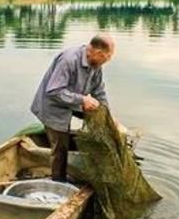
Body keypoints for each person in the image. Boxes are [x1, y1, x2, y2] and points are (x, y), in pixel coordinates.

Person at [30, 34, 115, 182]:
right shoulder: (69, 60)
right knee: (60, 148)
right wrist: (82, 99)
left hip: (72, 101)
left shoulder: (96, 64)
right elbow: (53, 91)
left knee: (100, 120)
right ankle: (58, 181)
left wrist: (107, 116)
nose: (107, 61)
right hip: (52, 107)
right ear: (98, 53)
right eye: (107, 58)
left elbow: (99, 92)